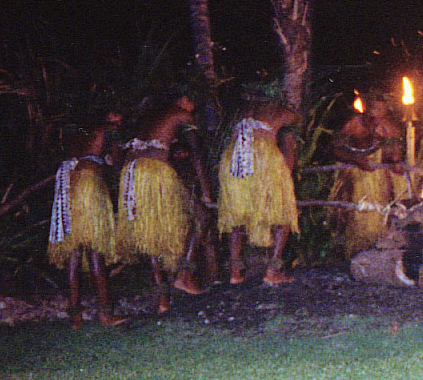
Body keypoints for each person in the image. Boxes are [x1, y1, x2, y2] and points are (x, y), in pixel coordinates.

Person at [114, 94, 213, 314]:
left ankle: (163, 300)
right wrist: (206, 191)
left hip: (131, 172)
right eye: (192, 103)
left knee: (152, 233)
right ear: (184, 98)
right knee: (202, 216)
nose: (193, 109)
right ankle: (184, 275)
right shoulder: (182, 115)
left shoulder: (153, 116)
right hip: (152, 170)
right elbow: (196, 152)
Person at [47, 112, 125, 327]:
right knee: (94, 248)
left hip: (68, 182)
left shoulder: (82, 132)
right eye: (118, 116)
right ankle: (105, 314)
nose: (120, 121)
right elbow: (117, 163)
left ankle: (75, 315)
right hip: (88, 183)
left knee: (74, 248)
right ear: (109, 115)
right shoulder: (110, 130)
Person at [216, 95, 300, 285]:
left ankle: (235, 272)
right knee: (284, 213)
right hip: (263, 157)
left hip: (234, 159)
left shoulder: (239, 112)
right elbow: (295, 118)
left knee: (236, 215)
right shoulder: (278, 110)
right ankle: (272, 271)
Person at [328, 92, 408, 257]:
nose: (377, 116)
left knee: (385, 206)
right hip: (356, 171)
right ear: (366, 109)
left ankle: (382, 248)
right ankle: (358, 250)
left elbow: (395, 155)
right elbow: (334, 149)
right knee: (360, 206)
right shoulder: (353, 124)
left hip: (379, 174)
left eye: (381, 112)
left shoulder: (390, 128)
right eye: (374, 110)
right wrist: (356, 160)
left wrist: (395, 163)